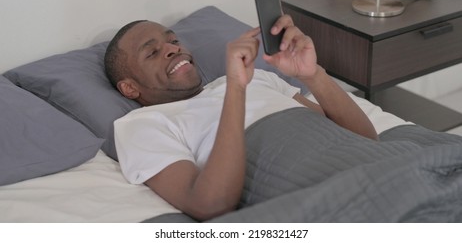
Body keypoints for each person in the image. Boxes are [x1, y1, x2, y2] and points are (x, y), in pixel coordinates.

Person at [104, 14, 378, 221]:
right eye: (153, 52)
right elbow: (209, 205)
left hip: (379, 165)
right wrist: (236, 87)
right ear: (129, 87)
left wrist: (312, 74)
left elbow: (366, 140)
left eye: (173, 40)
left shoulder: (260, 78)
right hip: (331, 196)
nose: (173, 49)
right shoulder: (142, 124)